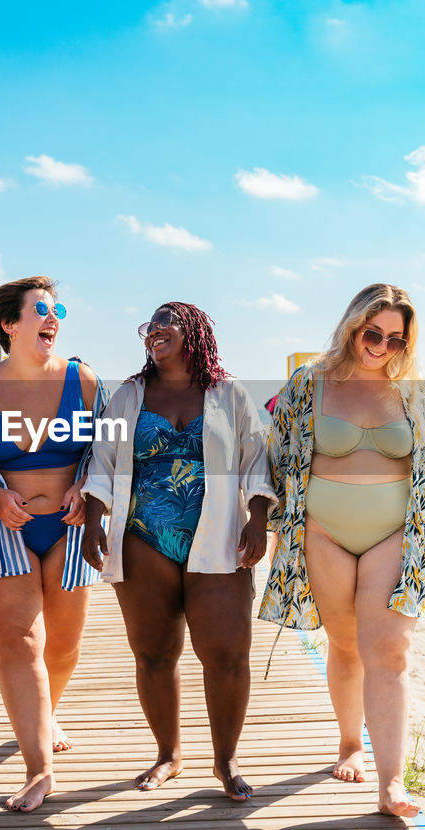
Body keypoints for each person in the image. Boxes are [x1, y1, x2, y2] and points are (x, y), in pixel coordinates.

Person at [259, 283, 425, 818]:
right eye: (373, 333)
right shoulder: (308, 384)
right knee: (345, 645)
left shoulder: (412, 391)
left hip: (395, 534)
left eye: (395, 339)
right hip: (323, 533)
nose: (381, 346)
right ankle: (349, 743)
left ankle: (393, 785)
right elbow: (279, 465)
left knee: (389, 650)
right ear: (352, 327)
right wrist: (279, 541)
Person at [82, 302, 275, 801]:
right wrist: (91, 521)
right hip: (144, 537)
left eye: (168, 320)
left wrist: (257, 520)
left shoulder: (228, 394)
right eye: (151, 324)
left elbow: (256, 458)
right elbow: (102, 460)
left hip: (218, 537)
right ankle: (168, 754)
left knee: (228, 654)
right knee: (153, 653)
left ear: (196, 333)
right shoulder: (129, 395)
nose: (156, 329)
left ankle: (225, 759)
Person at [0, 276, 104, 813]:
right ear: (9, 323)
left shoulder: (84, 381)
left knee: (64, 645)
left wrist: (84, 489)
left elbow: (107, 450)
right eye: (40, 309)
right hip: (4, 527)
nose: (53, 319)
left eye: (57, 310)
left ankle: (46, 712)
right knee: (21, 638)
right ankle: (38, 767)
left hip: (70, 526)